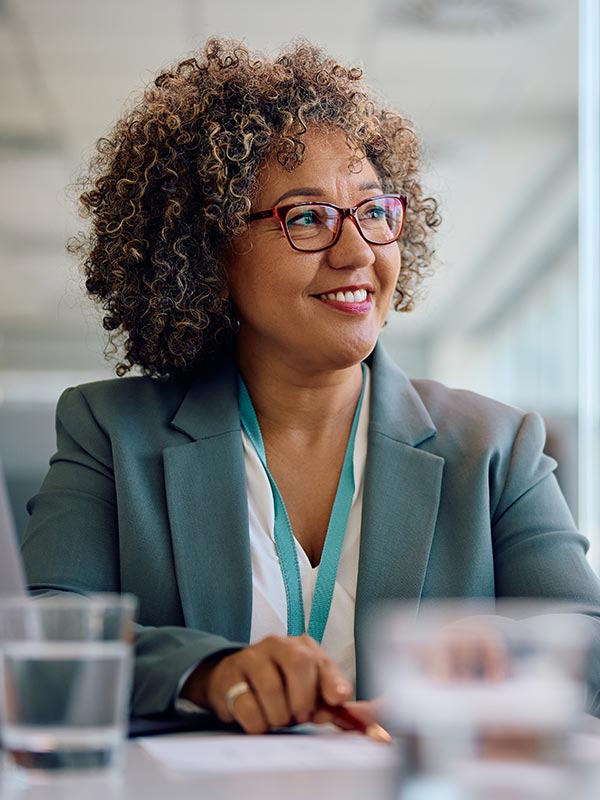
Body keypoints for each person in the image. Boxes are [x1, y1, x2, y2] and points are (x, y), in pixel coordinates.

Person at [23, 38, 600, 734]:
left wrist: (480, 679)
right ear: (209, 253)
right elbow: (44, 637)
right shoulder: (111, 433)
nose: (358, 252)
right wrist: (207, 673)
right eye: (306, 218)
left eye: (374, 211)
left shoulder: (495, 447)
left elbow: (587, 652)